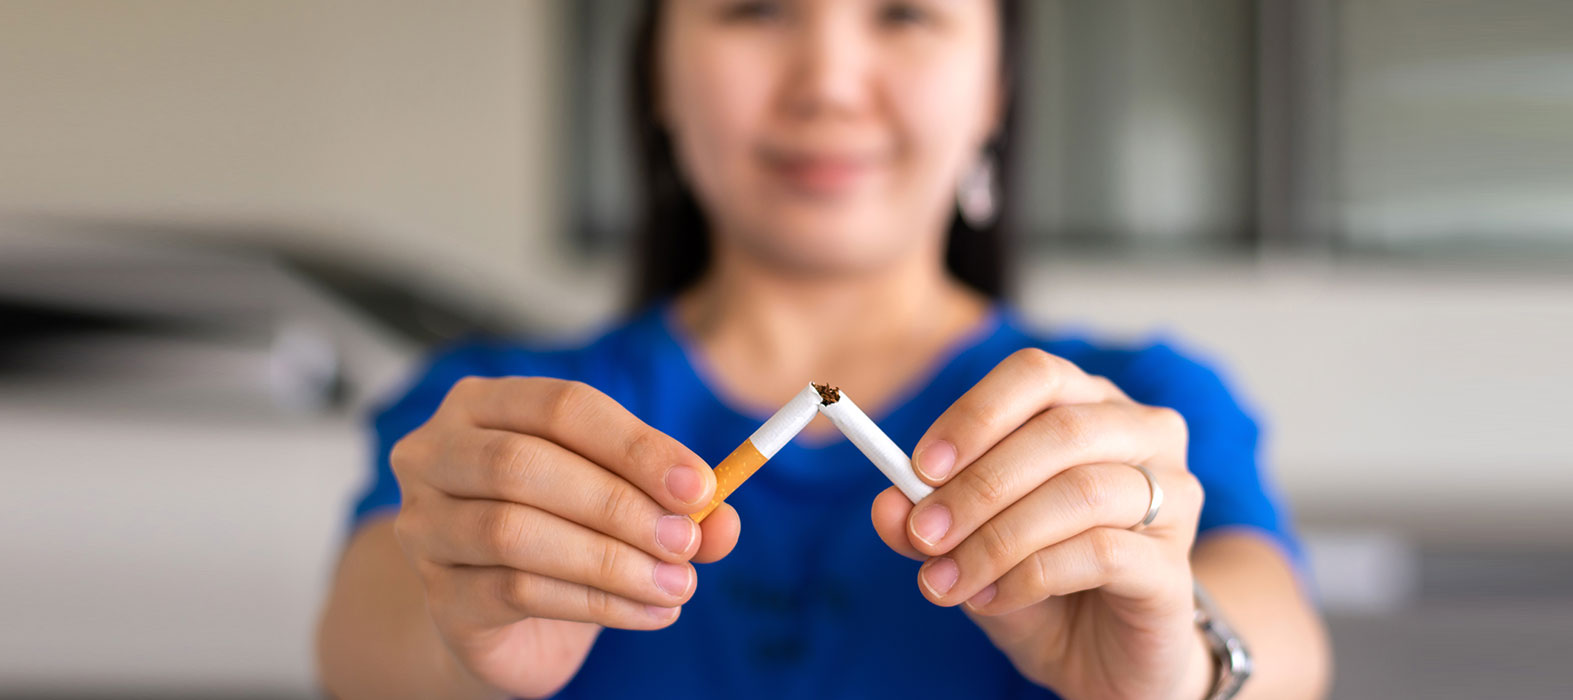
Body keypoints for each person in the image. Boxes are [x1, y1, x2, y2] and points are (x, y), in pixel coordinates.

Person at [316, 1, 1330, 698]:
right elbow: (358, 647)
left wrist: (1177, 666)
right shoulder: (494, 411)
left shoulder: (1134, 405)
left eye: (903, 11)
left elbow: (1284, 648)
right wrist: (464, 652)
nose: (829, 84)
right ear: (657, 71)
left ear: (995, 87)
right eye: (755, 6)